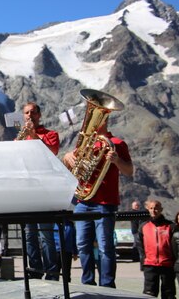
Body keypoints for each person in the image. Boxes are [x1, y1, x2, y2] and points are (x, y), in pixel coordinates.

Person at [63, 118, 133, 288]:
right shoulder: (86, 144)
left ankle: (107, 285)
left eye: (98, 118)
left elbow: (129, 171)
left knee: (104, 246)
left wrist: (117, 161)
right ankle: (87, 282)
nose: (91, 121)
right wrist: (66, 157)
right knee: (82, 245)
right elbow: (71, 169)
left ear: (105, 120)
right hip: (82, 201)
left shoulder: (117, 143)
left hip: (105, 202)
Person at [20, 102, 60, 280]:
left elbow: (52, 152)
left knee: (46, 236)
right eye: (26, 113)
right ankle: (35, 272)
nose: (29, 115)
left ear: (39, 115)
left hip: (44, 191)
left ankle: (52, 273)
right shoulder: (21, 138)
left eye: (33, 112)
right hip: (27, 191)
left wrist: (34, 136)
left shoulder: (50, 134)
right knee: (29, 236)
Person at [139, 199, 176, 298]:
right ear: (148, 209)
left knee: (168, 293)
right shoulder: (143, 226)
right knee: (149, 293)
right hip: (150, 265)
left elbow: (175, 247)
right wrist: (143, 262)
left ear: (161, 209)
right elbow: (140, 246)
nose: (153, 210)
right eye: (151, 208)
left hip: (167, 264)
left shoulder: (170, 226)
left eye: (156, 208)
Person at [130, 200, 144, 267]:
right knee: (136, 244)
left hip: (138, 230)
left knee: (138, 243)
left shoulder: (139, 213)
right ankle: (135, 258)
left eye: (138, 205)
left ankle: (137, 257)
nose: (137, 206)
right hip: (136, 231)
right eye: (136, 205)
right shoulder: (133, 213)